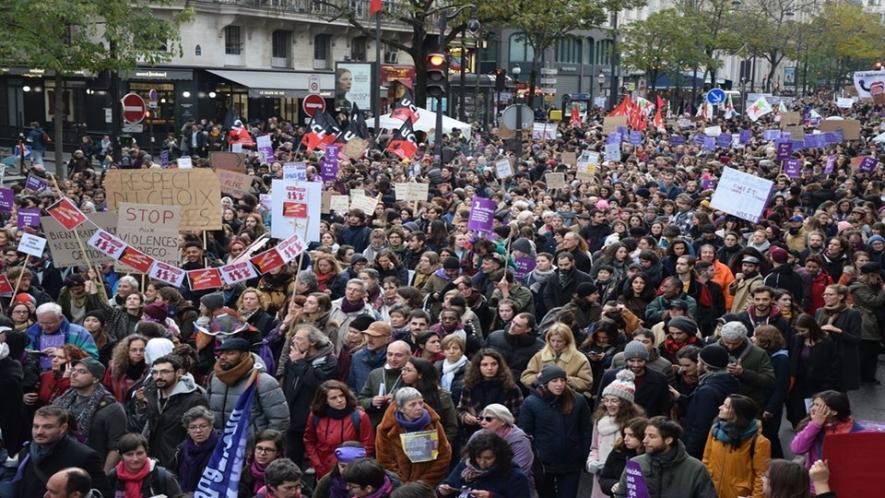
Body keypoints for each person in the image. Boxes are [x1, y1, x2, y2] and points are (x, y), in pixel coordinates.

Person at [518, 365, 591, 498]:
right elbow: (525, 434)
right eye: (555, 381)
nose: (559, 384)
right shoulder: (531, 403)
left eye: (562, 380)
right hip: (544, 463)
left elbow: (585, 431)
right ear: (545, 383)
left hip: (571, 461)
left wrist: (585, 457)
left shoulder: (578, 400)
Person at [12, 405, 111, 498]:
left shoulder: (84, 455)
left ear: (63, 428)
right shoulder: (26, 452)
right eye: (36, 426)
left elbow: (102, 493)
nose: (39, 432)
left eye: (47, 427)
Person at [52, 357, 127, 471]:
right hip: (59, 465)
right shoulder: (61, 401)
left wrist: (104, 476)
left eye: (82, 372)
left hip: (91, 468)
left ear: (95, 379)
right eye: (74, 370)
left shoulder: (111, 408)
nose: (74, 374)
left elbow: (116, 447)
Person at [613, 416, 716, 498]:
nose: (645, 441)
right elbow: (621, 494)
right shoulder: (636, 464)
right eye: (645, 435)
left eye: (652, 436)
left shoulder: (695, 469)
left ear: (668, 440)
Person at [206, 337, 290, 435]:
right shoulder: (215, 378)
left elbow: (279, 420)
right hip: (220, 444)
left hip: (250, 445)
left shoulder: (264, 381)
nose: (223, 357)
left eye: (230, 353)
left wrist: (264, 443)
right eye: (221, 353)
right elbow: (208, 411)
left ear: (244, 356)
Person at [281, 324, 338, 465]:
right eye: (294, 337)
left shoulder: (328, 361)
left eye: (299, 339)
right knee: (292, 458)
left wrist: (299, 363)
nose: (294, 341)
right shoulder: (294, 357)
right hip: (292, 418)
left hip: (314, 417)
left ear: (312, 342)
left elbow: (317, 383)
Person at [139, 353, 208, 469]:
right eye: (155, 372)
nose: (158, 376)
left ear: (178, 373)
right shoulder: (149, 394)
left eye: (164, 372)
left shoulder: (194, 400)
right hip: (151, 462)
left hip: (178, 464)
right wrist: (141, 407)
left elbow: (200, 436)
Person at [673, 344, 741, 459]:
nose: (698, 364)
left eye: (699, 361)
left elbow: (701, 426)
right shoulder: (729, 381)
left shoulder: (708, 390)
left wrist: (688, 454)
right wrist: (680, 397)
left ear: (706, 366)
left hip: (701, 449)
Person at [375, 387, 452, 486]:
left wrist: (425, 482)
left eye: (421, 403)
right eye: (412, 405)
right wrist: (401, 483)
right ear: (401, 408)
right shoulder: (385, 429)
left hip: (428, 486)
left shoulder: (433, 423)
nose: (419, 407)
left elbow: (444, 454)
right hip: (399, 487)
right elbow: (384, 459)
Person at [586, 370, 645, 498]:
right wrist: (592, 461)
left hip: (623, 474)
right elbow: (594, 446)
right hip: (601, 475)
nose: (609, 404)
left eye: (614, 401)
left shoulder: (634, 423)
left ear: (624, 403)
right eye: (606, 400)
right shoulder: (599, 420)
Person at [701, 394, 770, 498]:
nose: (720, 407)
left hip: (738, 494)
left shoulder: (759, 442)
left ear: (737, 413)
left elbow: (761, 475)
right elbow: (706, 459)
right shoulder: (715, 430)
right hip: (712, 491)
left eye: (726, 406)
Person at [304, 380, 375, 478]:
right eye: (334, 398)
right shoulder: (316, 416)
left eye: (342, 395)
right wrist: (317, 465)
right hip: (324, 470)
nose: (340, 400)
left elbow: (367, 446)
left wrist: (356, 468)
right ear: (325, 401)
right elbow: (309, 441)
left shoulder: (359, 416)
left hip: (352, 471)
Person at [456, 349, 524, 445]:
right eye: (485, 365)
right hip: (474, 436)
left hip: (502, 437)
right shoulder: (469, 386)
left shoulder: (511, 388)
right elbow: (461, 409)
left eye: (493, 364)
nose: (489, 368)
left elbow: (517, 415)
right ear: (478, 367)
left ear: (499, 366)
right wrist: (466, 417)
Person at [789, 390, 863, 476]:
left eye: (818, 405)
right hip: (816, 480)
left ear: (834, 412)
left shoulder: (853, 430)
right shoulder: (812, 425)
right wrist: (815, 425)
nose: (813, 409)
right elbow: (797, 448)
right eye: (813, 404)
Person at [438, 432, 531, 498]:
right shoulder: (465, 465)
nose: (482, 462)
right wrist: (443, 491)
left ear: (499, 456)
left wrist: (491, 496)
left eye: (488, 458)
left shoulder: (514, 476)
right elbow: (449, 483)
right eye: (478, 457)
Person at [786, 314, 838, 426]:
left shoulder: (826, 342)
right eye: (798, 331)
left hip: (818, 383)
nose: (800, 333)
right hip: (799, 382)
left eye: (803, 331)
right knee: (798, 412)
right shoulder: (797, 339)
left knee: (816, 412)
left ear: (811, 328)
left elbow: (831, 364)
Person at [598, 340, 671, 418]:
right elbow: (600, 404)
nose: (636, 365)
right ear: (626, 360)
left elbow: (664, 408)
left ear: (646, 360)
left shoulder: (659, 379)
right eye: (632, 361)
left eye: (640, 361)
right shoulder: (610, 376)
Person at [520, 322, 593, 395]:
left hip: (568, 397)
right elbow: (525, 378)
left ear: (567, 341)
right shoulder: (539, 356)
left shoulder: (580, 358)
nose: (555, 344)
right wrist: (538, 377)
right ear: (548, 339)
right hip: (542, 397)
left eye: (559, 341)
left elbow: (587, 383)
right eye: (552, 340)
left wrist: (564, 378)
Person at [399, 357, 459, 444]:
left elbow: (451, 425)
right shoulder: (401, 394)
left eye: (408, 370)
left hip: (434, 445)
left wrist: (441, 444)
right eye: (403, 369)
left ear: (420, 374)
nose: (403, 373)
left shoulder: (441, 396)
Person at [717, 321, 776, 410]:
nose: (730, 347)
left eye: (735, 343)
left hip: (747, 405)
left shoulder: (759, 353)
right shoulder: (712, 350)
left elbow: (770, 381)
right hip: (719, 402)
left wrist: (743, 373)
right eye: (727, 342)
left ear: (743, 339)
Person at [814, 284, 862, 391]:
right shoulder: (820, 311)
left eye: (830, 294)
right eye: (824, 294)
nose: (826, 297)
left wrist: (836, 330)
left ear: (841, 296)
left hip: (841, 360)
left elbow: (856, 339)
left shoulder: (852, 314)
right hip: (822, 358)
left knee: (838, 396)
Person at [751, 325, 789, 458]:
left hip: (771, 404)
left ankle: (779, 463)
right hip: (761, 401)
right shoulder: (764, 355)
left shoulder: (781, 359)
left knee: (770, 435)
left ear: (765, 341)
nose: (752, 339)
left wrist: (771, 408)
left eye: (755, 336)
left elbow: (781, 387)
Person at [106, 432, 182, 497]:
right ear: (121, 456)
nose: (135, 459)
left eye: (139, 453)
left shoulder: (162, 477)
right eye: (129, 455)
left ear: (146, 452)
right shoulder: (113, 477)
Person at [26, 303, 98, 369]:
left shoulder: (79, 333)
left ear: (60, 318)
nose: (45, 327)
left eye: (49, 323)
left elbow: (92, 358)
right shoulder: (31, 333)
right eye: (41, 323)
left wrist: (65, 353)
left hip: (70, 376)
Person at [847, 262, 884, 385]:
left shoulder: (871, 285)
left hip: (872, 320)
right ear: (871, 275)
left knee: (872, 351)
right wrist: (883, 292)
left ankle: (868, 376)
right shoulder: (859, 288)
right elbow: (873, 302)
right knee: (866, 351)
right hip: (865, 320)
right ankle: (863, 376)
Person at [359, 339, 411, 426]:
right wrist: (372, 401)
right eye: (390, 354)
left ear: (409, 355)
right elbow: (361, 399)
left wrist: (396, 398)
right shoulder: (375, 374)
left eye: (398, 355)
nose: (393, 359)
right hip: (377, 423)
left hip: (402, 424)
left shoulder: (412, 374)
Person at [484, 312, 544, 383]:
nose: (512, 327)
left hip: (519, 384)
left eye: (518, 325)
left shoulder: (539, 348)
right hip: (490, 380)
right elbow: (481, 358)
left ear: (528, 329)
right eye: (513, 322)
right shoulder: (494, 337)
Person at [173, 405, 219, 494]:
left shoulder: (221, 449)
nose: (198, 430)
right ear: (187, 430)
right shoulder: (182, 449)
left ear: (211, 427)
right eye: (193, 427)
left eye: (203, 426)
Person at [597, 417, 647, 497]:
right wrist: (613, 485)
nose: (626, 439)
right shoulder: (618, 451)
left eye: (631, 435)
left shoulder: (650, 456)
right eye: (624, 434)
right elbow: (604, 478)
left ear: (642, 436)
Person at [102, 334, 148, 402]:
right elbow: (106, 389)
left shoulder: (148, 370)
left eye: (142, 350)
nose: (138, 353)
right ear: (126, 351)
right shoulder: (115, 369)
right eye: (134, 350)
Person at [241, 429, 286, 497]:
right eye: (259, 448)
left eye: (268, 450)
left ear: (278, 452)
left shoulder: (286, 471)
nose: (262, 453)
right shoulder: (242, 469)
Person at [435, 334, 468, 407]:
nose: (451, 351)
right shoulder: (437, 366)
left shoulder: (470, 368)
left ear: (462, 351)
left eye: (455, 348)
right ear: (443, 352)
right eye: (447, 349)